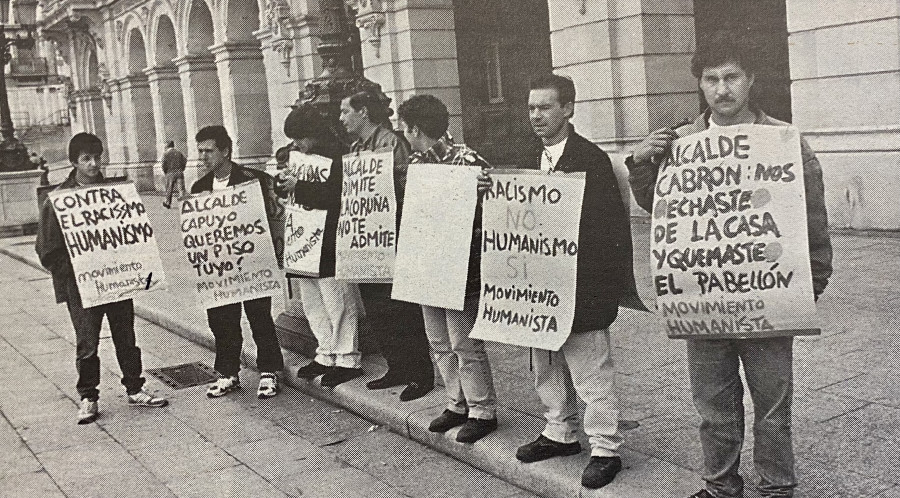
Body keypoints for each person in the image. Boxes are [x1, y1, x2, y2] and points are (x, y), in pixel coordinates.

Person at [626, 32, 833, 498]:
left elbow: (812, 218)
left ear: (751, 80)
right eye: (711, 79)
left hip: (766, 298)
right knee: (714, 407)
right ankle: (721, 487)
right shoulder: (680, 143)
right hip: (704, 303)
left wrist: (810, 283)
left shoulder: (784, 141)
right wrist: (642, 162)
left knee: (773, 409)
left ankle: (778, 489)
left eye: (732, 77)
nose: (722, 89)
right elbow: (656, 207)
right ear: (699, 84)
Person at [479, 74, 633, 489]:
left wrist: (603, 291)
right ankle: (559, 432)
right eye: (531, 108)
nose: (536, 116)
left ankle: (604, 447)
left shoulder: (591, 159)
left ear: (568, 109)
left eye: (545, 107)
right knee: (545, 364)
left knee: (590, 370)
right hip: (537, 287)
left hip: (582, 286)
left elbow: (607, 230)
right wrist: (489, 190)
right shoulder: (524, 156)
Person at [35, 132, 168, 424]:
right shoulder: (58, 200)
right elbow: (46, 250)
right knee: (88, 343)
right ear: (74, 162)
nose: (94, 164)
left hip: (116, 282)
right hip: (82, 287)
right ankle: (88, 396)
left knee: (126, 337)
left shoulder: (115, 193)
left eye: (97, 158)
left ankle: (135, 387)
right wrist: (77, 269)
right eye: (86, 159)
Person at [396, 94, 498, 443]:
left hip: (460, 266)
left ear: (413, 128)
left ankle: (482, 410)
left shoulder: (468, 160)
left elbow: (491, 212)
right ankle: (458, 403)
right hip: (428, 261)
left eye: (404, 126)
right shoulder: (417, 162)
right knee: (438, 339)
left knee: (464, 341)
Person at [339, 90, 435, 402]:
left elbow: (408, 185)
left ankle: (420, 374)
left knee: (401, 309)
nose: (341, 119)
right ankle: (396, 366)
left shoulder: (392, 143)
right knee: (377, 306)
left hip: (391, 235)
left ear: (363, 112)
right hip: (367, 240)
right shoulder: (355, 148)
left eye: (345, 112)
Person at [191, 125, 285, 399]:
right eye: (200, 152)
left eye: (209, 151)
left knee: (259, 317)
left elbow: (274, 215)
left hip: (253, 263)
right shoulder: (200, 187)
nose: (203, 157)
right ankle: (228, 373)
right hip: (219, 267)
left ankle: (269, 371)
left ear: (226, 151)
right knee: (222, 320)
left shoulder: (253, 179)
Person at [275, 105, 364, 388]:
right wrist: (283, 186)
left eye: (300, 138)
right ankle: (326, 351)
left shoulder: (337, 156)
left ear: (313, 134)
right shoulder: (301, 157)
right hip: (303, 236)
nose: (297, 144)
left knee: (337, 297)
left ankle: (348, 356)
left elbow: (336, 197)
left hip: (328, 237)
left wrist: (297, 186)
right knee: (312, 299)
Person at [161, 140, 187, 209]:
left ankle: (168, 203)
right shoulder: (179, 153)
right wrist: (182, 169)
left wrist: (165, 172)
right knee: (181, 189)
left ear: (167, 146)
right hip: (179, 172)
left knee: (169, 189)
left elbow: (163, 165)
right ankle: (183, 204)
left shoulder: (165, 154)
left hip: (170, 173)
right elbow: (184, 161)